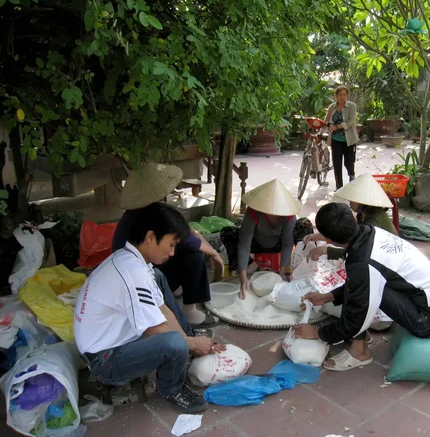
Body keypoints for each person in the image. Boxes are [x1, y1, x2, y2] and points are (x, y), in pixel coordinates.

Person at [74, 202, 227, 412]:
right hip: (104, 361)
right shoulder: (132, 274)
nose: (173, 253)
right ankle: (171, 388)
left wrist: (189, 341)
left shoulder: (134, 260)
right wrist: (189, 344)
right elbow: (155, 329)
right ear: (150, 237)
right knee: (173, 343)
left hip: (106, 340)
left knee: (158, 278)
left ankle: (188, 341)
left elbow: (162, 308)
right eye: (171, 244)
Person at [295, 203, 430, 371]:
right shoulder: (368, 232)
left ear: (329, 240)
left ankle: (359, 353)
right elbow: (360, 279)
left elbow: (357, 314)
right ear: (353, 219)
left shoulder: (362, 262)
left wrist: (318, 332)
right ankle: (361, 337)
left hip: (427, 320)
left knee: (359, 294)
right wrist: (328, 296)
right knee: (358, 286)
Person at [113, 163, 223, 326]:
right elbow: (188, 239)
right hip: (138, 282)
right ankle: (189, 313)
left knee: (185, 250)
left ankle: (177, 290)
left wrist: (208, 247)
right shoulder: (150, 216)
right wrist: (213, 253)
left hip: (139, 272)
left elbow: (188, 231)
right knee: (194, 255)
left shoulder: (139, 211)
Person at [220, 179, 313, 299]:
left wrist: (281, 273)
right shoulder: (253, 212)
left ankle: (299, 272)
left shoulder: (288, 215)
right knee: (228, 232)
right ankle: (249, 266)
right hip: (257, 242)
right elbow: (244, 245)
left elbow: (287, 245)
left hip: (278, 244)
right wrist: (243, 279)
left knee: (304, 224)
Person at [305, 173, 397, 262]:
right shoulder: (362, 215)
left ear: (363, 201)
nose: (350, 202)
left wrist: (324, 250)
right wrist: (322, 236)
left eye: (353, 199)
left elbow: (357, 252)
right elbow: (349, 235)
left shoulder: (373, 222)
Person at [324, 85, 360, 190]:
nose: (342, 97)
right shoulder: (332, 107)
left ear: (347, 96)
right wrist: (326, 127)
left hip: (349, 140)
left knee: (349, 163)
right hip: (335, 140)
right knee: (337, 164)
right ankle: (339, 186)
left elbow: (351, 121)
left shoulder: (352, 106)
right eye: (340, 95)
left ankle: (352, 179)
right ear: (336, 96)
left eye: (344, 95)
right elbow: (326, 121)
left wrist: (338, 127)